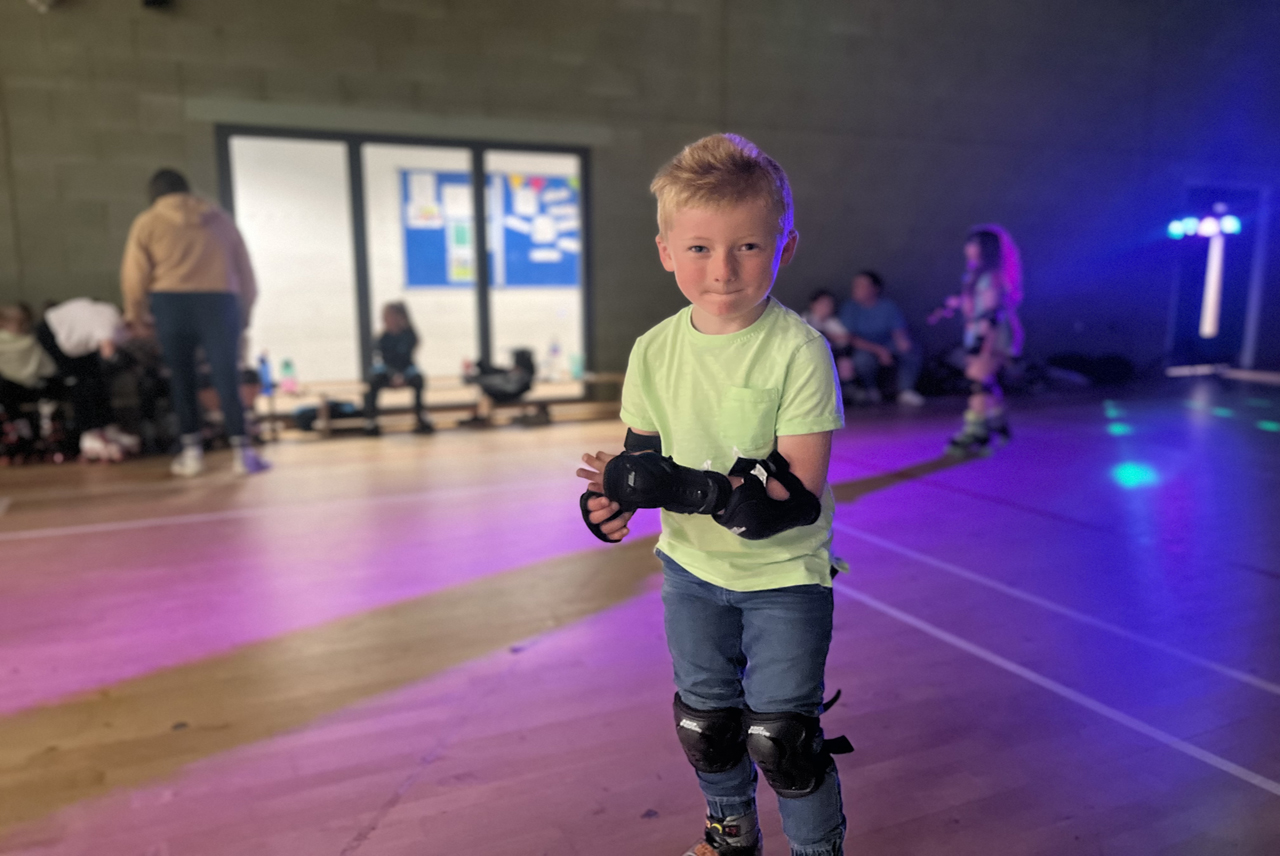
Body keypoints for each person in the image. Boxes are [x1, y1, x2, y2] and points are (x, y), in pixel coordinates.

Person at [576, 134, 850, 856]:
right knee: (707, 723)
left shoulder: (799, 350)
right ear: (666, 250)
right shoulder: (652, 351)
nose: (722, 270)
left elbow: (788, 499)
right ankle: (731, 837)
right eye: (699, 249)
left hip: (784, 579)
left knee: (781, 737)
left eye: (748, 248)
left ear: (784, 248)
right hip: (691, 574)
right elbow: (642, 464)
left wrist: (680, 486)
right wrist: (614, 501)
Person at [121, 168, 268, 476]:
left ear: (154, 194)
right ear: (189, 190)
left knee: (182, 378)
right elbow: (246, 273)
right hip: (219, 301)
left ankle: (192, 454)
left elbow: (134, 274)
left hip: (172, 302)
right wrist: (243, 316)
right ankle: (243, 452)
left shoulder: (147, 222)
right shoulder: (221, 220)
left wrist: (136, 315)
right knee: (227, 376)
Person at [928, 224, 1025, 454]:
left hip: (992, 334)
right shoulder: (976, 274)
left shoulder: (992, 276)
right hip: (980, 332)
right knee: (985, 381)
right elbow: (972, 302)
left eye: (973, 243)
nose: (968, 248)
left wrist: (984, 342)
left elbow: (993, 312)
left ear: (984, 248)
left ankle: (977, 430)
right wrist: (948, 307)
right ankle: (999, 425)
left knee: (978, 380)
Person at [35, 297, 141, 461]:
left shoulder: (112, 315)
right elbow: (109, 353)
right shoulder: (110, 324)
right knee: (80, 382)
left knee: (95, 378)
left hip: (74, 337)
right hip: (53, 331)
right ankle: (89, 433)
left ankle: (107, 427)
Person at [836, 271, 924, 405]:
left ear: (875, 288)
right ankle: (870, 390)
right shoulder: (850, 308)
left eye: (861, 285)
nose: (856, 289)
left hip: (887, 343)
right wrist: (880, 351)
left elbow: (898, 330)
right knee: (862, 360)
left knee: (910, 350)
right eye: (855, 285)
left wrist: (902, 342)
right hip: (864, 347)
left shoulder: (888, 306)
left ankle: (906, 390)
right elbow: (850, 337)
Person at [364, 301, 433, 435]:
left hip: (406, 370)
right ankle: (371, 419)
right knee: (373, 381)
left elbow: (408, 358)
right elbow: (383, 361)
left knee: (419, 379)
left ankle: (421, 416)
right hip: (387, 371)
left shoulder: (409, 335)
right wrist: (393, 375)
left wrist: (402, 375)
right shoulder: (382, 337)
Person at [801, 289, 855, 389]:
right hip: (811, 356)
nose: (826, 307)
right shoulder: (805, 319)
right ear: (813, 304)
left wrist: (828, 335)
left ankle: (847, 391)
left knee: (845, 362)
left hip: (833, 354)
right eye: (822, 304)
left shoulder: (832, 322)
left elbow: (845, 338)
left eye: (829, 304)